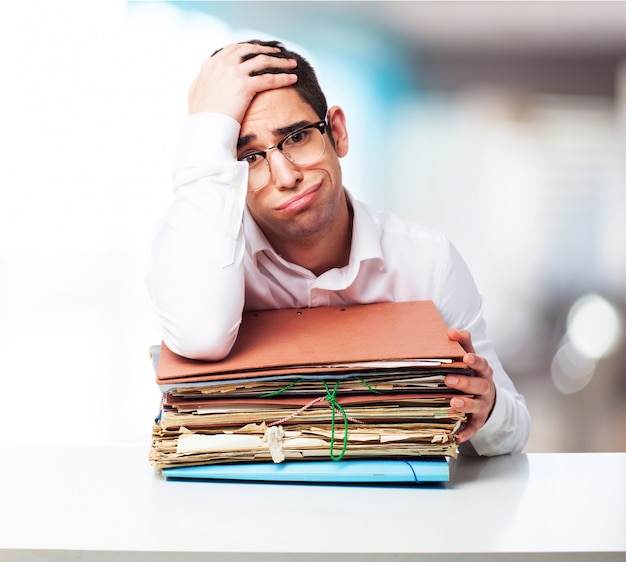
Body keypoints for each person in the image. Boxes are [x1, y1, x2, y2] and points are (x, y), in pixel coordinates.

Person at [146, 39, 531, 457]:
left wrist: (487, 406)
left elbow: (514, 432)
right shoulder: (199, 251)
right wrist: (205, 133)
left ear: (338, 132)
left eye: (295, 137)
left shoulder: (428, 262)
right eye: (249, 158)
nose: (285, 176)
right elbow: (201, 337)